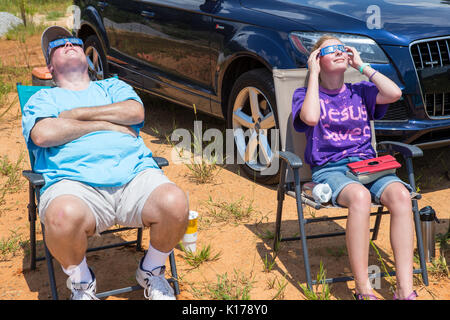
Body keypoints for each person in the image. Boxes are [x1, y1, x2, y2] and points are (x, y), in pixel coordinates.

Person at [22, 26, 189, 300]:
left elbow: (135, 112)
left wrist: (73, 116)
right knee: (61, 217)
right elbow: (43, 133)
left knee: (176, 202)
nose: (68, 44)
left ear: (87, 58)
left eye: (74, 41)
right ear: (49, 66)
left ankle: (152, 270)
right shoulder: (43, 98)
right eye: (58, 45)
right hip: (73, 184)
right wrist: (105, 124)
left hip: (134, 176)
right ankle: (81, 283)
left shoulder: (113, 86)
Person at [292, 35, 417, 300]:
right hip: (331, 170)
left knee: (401, 195)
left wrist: (362, 66)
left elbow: (395, 93)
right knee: (359, 197)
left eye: (342, 48)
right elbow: (311, 117)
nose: (338, 52)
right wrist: (312, 73)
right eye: (330, 50)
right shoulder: (304, 94)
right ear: (316, 59)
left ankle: (405, 290)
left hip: (368, 166)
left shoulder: (360, 90)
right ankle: (364, 289)